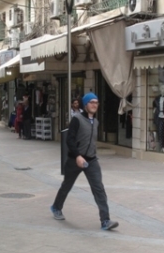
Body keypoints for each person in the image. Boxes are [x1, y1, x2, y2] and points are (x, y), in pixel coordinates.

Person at [50, 93, 119, 231]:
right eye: (91, 102)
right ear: (85, 104)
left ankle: (105, 221)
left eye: (96, 102)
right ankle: (56, 207)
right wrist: (77, 156)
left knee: (99, 189)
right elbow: (69, 140)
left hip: (91, 160)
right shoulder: (77, 119)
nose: (94, 105)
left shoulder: (96, 122)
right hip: (75, 160)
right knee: (67, 185)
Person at [153, 84, 164, 152]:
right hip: (158, 116)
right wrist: (155, 111)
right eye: (161, 88)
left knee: (163, 131)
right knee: (159, 131)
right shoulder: (157, 98)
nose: (163, 90)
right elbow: (154, 106)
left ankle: (163, 146)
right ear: (160, 89)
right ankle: (160, 146)